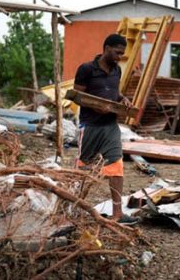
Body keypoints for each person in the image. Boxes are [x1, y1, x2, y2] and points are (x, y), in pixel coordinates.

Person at [74, 33, 138, 225]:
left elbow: (113, 91)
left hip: (110, 126)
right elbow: (75, 95)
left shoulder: (117, 70)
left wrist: (122, 99)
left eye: (122, 54)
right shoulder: (86, 69)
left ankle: (117, 213)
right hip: (90, 125)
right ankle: (74, 209)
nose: (119, 57)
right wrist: (94, 106)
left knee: (116, 168)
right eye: (117, 52)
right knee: (84, 169)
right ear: (107, 48)